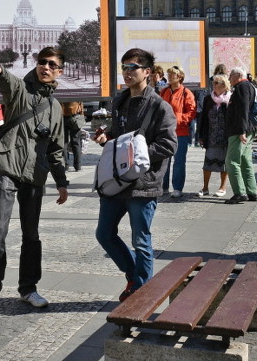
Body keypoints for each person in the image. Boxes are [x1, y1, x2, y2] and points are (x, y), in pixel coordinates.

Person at [0, 47, 70, 317]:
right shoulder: (21, 90)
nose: (46, 67)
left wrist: (61, 181)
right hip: (6, 168)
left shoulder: (54, 107)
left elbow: (56, 148)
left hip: (35, 175)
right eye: (42, 62)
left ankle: (28, 288)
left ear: (59, 72)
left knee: (32, 235)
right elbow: (10, 83)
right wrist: (0, 73)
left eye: (52, 65)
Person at [94, 49, 177, 301]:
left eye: (132, 67)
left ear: (147, 72)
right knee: (104, 233)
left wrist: (137, 153)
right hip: (116, 182)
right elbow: (118, 136)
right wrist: (105, 138)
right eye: (124, 67)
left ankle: (142, 295)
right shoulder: (119, 102)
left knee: (141, 241)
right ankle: (134, 275)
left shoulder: (160, 106)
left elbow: (169, 144)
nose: (126, 72)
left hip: (143, 183)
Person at [160, 66, 196, 198]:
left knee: (179, 161)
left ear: (179, 76)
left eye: (172, 75)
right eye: (168, 74)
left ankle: (177, 187)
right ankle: (163, 187)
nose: (169, 76)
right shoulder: (164, 91)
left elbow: (191, 112)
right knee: (164, 160)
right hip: (164, 132)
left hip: (180, 132)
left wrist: (177, 121)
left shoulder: (186, 92)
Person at [224, 68, 257, 203]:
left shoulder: (242, 87)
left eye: (230, 76)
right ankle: (252, 191)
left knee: (231, 161)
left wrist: (241, 131)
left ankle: (239, 193)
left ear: (238, 75)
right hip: (247, 128)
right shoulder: (248, 85)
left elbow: (243, 109)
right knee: (245, 160)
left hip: (239, 130)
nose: (229, 78)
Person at [196, 74, 231, 197]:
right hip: (211, 136)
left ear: (224, 85)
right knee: (207, 163)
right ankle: (205, 188)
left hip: (225, 137)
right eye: (213, 83)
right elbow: (203, 119)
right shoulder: (208, 99)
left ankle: (222, 187)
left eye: (217, 83)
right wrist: (200, 135)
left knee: (224, 163)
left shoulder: (229, 99)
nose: (214, 85)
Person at [62, 101, 85, 171]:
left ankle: (65, 165)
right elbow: (80, 103)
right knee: (76, 142)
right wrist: (82, 115)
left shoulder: (61, 91)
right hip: (75, 116)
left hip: (63, 116)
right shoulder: (75, 91)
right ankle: (77, 165)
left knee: (64, 142)